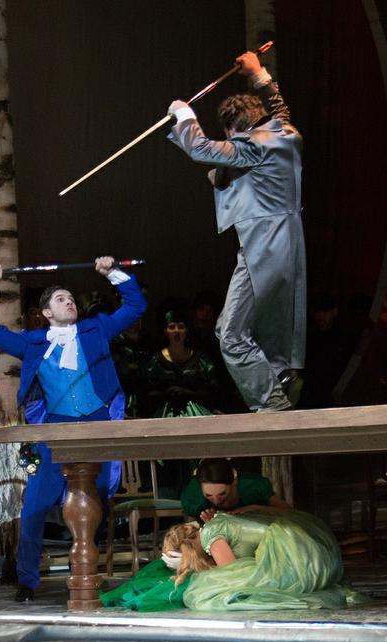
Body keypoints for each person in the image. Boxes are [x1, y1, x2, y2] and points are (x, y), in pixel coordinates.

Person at [0, 256, 146, 602]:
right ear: (46, 312)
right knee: (35, 507)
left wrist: (112, 273)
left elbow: (136, 306)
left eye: (71, 298)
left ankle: (85, 572)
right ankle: (27, 580)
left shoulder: (95, 329)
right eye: (60, 299)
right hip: (56, 430)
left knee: (96, 501)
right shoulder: (34, 342)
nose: (69, 301)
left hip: (97, 424)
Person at [167, 50, 306, 412]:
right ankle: (281, 377)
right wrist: (259, 73)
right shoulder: (285, 133)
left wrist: (184, 115)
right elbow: (280, 109)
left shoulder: (253, 144)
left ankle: (272, 401)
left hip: (264, 243)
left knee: (229, 334)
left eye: (229, 134)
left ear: (236, 129)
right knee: (253, 325)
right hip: (284, 242)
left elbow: (200, 148)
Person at [101, 508, 354, 612]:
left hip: (295, 554)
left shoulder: (212, 535)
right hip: (306, 545)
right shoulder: (213, 525)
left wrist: (191, 570)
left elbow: (233, 574)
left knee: (208, 592)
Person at [140, 309, 219, 418]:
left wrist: (189, 393)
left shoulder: (201, 360)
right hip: (163, 415)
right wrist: (165, 393)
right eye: (172, 327)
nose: (176, 331)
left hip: (196, 414)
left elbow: (212, 391)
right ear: (165, 331)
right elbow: (146, 393)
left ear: (186, 330)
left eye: (181, 327)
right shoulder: (155, 361)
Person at [179, 458, 289, 523]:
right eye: (208, 495)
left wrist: (255, 509)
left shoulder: (252, 487)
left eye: (222, 494)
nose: (216, 501)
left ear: (234, 482)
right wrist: (210, 524)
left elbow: (288, 511)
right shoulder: (193, 499)